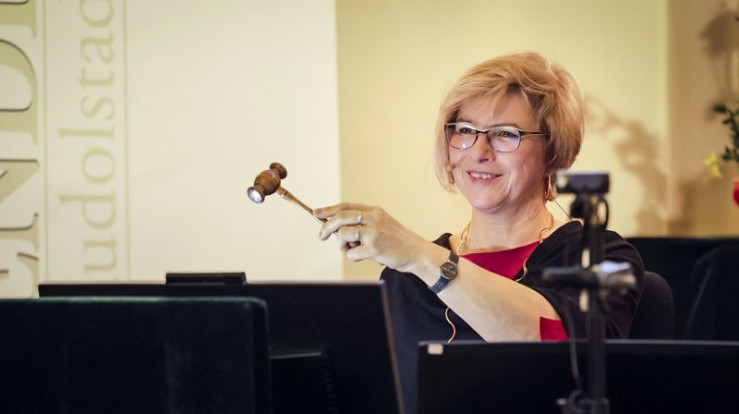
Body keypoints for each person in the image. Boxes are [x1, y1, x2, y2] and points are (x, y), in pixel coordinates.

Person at [314, 51, 644, 413]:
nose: (479, 151)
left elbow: (566, 359)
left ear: (553, 153)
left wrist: (424, 258)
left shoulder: (602, 259)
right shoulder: (404, 279)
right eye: (465, 131)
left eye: (505, 134)